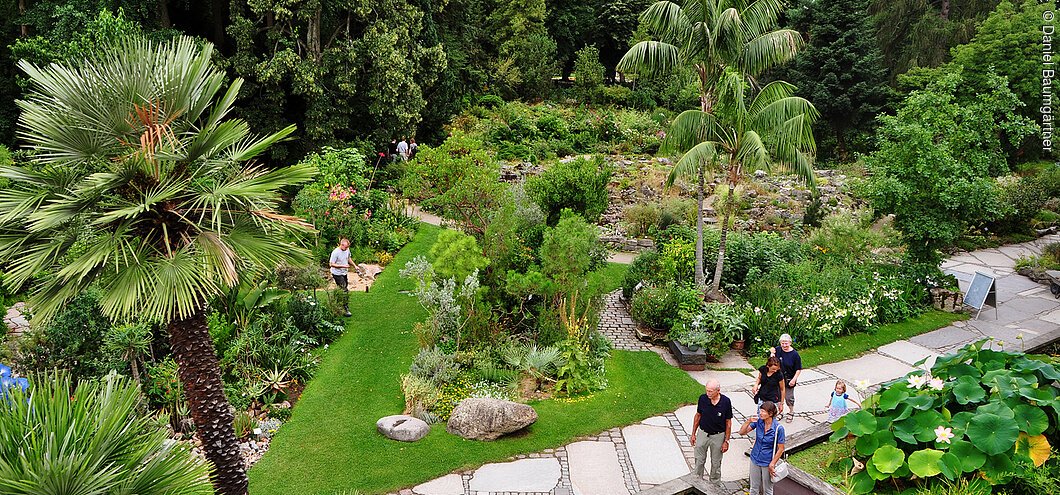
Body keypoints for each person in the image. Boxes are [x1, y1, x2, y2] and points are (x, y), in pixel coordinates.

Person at [739, 400, 786, 495]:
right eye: (760, 410)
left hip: (767, 462)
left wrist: (772, 464)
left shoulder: (778, 428)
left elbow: (781, 448)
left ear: (771, 413)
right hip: (755, 458)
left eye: (763, 411)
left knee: (768, 490)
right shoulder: (759, 422)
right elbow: (742, 432)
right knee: (753, 488)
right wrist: (748, 421)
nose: (760, 413)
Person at [690, 379, 733, 481]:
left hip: (718, 435)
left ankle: (714, 486)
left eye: (710, 391)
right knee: (699, 460)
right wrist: (693, 434)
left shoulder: (726, 402)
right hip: (703, 433)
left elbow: (728, 423)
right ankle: (697, 482)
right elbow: (698, 416)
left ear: (718, 390)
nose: (708, 393)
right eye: (707, 390)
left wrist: (726, 441)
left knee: (716, 463)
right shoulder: (703, 399)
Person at [770, 333, 802, 423]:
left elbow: (798, 369)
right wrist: (772, 353)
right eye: (782, 343)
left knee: (789, 397)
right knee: (779, 397)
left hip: (789, 379)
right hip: (779, 378)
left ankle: (791, 412)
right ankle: (780, 412)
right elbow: (771, 362)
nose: (784, 345)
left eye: (786, 343)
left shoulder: (795, 355)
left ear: (790, 343)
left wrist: (794, 379)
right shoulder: (777, 350)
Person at [329, 238, 356, 317]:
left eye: (348, 247)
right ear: (341, 245)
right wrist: (343, 266)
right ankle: (345, 309)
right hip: (337, 273)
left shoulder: (347, 250)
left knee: (343, 288)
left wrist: (355, 266)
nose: (347, 249)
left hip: (344, 273)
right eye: (346, 247)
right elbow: (331, 264)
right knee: (344, 290)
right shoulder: (335, 252)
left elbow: (348, 258)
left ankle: (337, 301)